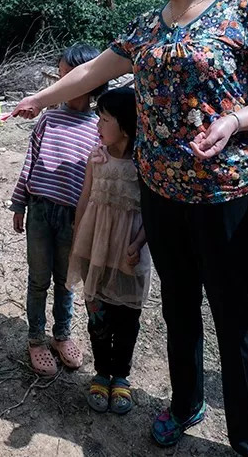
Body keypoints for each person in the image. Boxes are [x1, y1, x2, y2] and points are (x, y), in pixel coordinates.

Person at [13, 0, 248, 455]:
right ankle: (187, 402)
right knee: (177, 304)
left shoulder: (245, 11)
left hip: (226, 195)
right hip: (160, 193)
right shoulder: (149, 23)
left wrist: (235, 121)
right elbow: (97, 69)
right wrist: (39, 98)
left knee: (235, 317)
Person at [10, 44, 104, 376]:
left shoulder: (99, 127)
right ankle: (36, 338)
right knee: (38, 280)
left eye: (66, 76)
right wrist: (19, 202)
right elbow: (30, 163)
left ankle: (61, 334)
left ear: (88, 81)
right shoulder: (48, 118)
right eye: (59, 75)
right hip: (39, 212)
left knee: (66, 282)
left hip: (73, 220)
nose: (58, 82)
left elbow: (98, 182)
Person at [67, 87, 150, 415]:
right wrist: (77, 241)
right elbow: (85, 199)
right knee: (98, 315)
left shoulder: (144, 165)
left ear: (127, 127)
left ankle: (121, 376)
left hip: (128, 253)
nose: (97, 124)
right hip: (94, 248)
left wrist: (139, 242)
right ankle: (101, 373)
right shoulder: (96, 157)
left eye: (104, 119)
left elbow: (153, 212)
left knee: (127, 319)